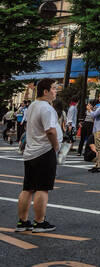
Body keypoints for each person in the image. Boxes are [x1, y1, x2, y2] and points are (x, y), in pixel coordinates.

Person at [16, 79, 60, 232]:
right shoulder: (47, 109)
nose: (56, 91)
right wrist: (56, 146)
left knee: (28, 188)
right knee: (43, 188)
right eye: (54, 88)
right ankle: (39, 222)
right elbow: (50, 130)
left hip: (31, 151)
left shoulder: (33, 106)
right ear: (45, 91)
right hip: (44, 151)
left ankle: (22, 222)